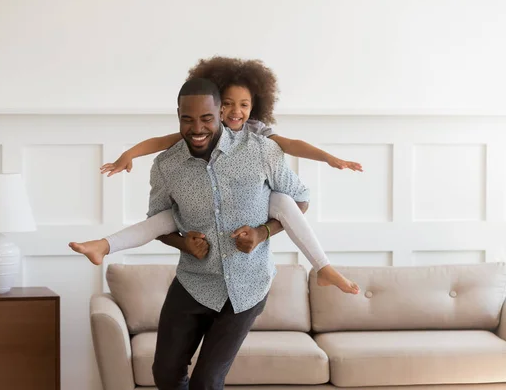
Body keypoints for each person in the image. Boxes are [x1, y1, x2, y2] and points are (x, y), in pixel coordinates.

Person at [69, 57, 360, 294]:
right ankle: (104, 245)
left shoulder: (257, 137)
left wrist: (329, 158)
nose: (236, 111)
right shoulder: (199, 130)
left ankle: (323, 267)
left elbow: (291, 145)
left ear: (254, 107)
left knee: (284, 201)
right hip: (207, 207)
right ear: (217, 107)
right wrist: (128, 155)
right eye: (229, 104)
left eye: (244, 105)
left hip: (255, 202)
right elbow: (161, 141)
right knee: (160, 219)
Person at [156, 77, 311, 389]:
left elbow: (300, 200)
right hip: (193, 283)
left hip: (247, 286)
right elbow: (158, 223)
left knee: (207, 381)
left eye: (206, 118)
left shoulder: (264, 151)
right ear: (178, 115)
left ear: (218, 115)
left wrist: (263, 232)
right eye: (188, 118)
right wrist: (183, 243)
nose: (197, 127)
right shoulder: (167, 164)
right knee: (165, 374)